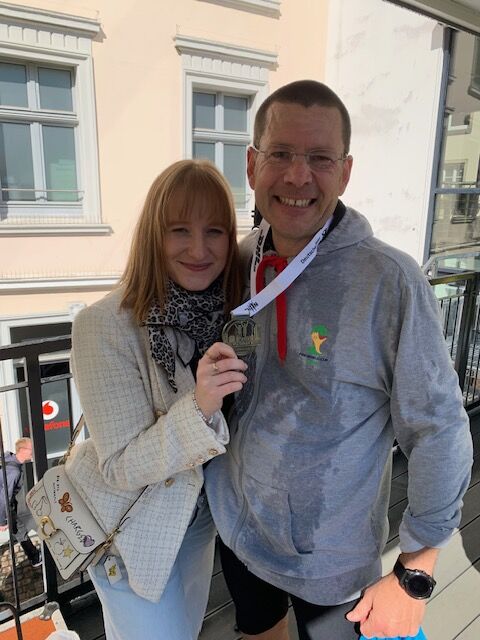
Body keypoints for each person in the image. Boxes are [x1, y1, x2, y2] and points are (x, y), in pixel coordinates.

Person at [204, 80, 474, 640]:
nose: (298, 176)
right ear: (252, 165)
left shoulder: (389, 281)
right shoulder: (242, 260)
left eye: (320, 158)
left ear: (345, 172)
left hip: (331, 561)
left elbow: (439, 429)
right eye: (281, 153)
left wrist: (415, 573)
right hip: (240, 529)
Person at [65, 159, 248, 640]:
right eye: (179, 230)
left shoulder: (228, 313)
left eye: (214, 231)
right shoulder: (104, 325)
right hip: (130, 535)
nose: (199, 249)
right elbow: (119, 464)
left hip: (197, 523)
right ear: (153, 235)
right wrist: (200, 407)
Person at [0, 437, 42, 568]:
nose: (33, 452)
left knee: (19, 530)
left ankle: (35, 556)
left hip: (9, 506)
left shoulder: (8, 459)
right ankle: (35, 557)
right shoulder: (14, 471)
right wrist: (2, 521)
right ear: (22, 450)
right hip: (5, 507)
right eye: (31, 449)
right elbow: (4, 497)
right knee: (20, 530)